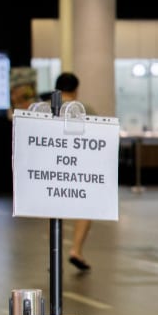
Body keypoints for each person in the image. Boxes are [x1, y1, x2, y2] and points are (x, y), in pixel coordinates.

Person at [55, 72, 95, 271]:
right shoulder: (84, 109)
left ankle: (53, 253)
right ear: (76, 89)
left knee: (54, 212)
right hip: (79, 166)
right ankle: (76, 249)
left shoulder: (44, 107)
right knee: (85, 209)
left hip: (52, 167)